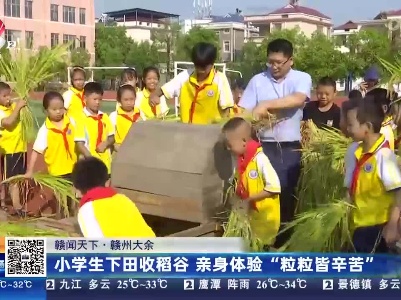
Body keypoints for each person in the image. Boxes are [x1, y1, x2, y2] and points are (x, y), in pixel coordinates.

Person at [238, 38, 312, 247]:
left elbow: (298, 99)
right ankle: (259, 240)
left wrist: (266, 104)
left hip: (288, 148)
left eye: (280, 62)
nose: (275, 66)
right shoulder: (258, 80)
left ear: (291, 61)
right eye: (271, 62)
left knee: (285, 194)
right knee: (258, 193)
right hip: (261, 147)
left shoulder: (301, 78)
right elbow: (245, 112)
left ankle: (282, 243)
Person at [344, 99, 401, 253]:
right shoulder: (355, 151)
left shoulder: (384, 156)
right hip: (357, 223)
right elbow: (350, 187)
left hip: (377, 225)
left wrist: (392, 225)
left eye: (351, 124)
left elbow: (397, 192)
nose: (347, 129)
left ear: (367, 127)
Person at [222, 117, 280, 247]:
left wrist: (249, 199)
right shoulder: (241, 162)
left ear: (243, 141)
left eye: (229, 145)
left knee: (261, 251)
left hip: (265, 219)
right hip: (252, 221)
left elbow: (274, 187)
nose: (227, 148)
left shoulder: (260, 160)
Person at [149, 42, 234, 124]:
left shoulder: (220, 80)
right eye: (198, 65)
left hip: (210, 134)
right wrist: (154, 96)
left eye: (204, 66)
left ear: (212, 63)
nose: (201, 70)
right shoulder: (185, 77)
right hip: (187, 132)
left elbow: (226, 109)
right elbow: (163, 90)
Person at [73, 157, 156, 238]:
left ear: (78, 190)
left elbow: (98, 247)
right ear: (107, 183)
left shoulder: (86, 211)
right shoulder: (123, 199)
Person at [25, 92, 78, 215]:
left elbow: (81, 141)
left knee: (74, 197)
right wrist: (30, 170)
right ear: (46, 111)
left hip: (74, 167)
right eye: (54, 109)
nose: (58, 112)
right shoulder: (45, 130)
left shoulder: (71, 122)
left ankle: (73, 220)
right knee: (61, 200)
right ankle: (61, 221)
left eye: (61, 108)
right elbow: (36, 150)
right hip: (57, 170)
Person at [74, 82, 115, 178]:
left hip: (105, 163)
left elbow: (112, 137)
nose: (97, 102)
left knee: (104, 189)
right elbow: (79, 144)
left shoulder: (104, 117)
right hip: (89, 164)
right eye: (94, 99)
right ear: (85, 99)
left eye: (100, 99)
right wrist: (91, 160)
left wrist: (106, 143)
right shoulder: (81, 118)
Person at [0, 82, 27, 217]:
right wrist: (18, 107)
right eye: (4, 96)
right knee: (12, 179)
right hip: (8, 150)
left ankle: (4, 202)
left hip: (19, 148)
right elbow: (8, 122)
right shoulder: (1, 111)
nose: (8, 98)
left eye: (9, 95)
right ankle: (17, 205)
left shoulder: (11, 107)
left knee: (16, 178)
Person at [109, 85, 143, 152]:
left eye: (131, 99)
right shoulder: (114, 116)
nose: (129, 102)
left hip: (137, 149)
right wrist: (114, 145)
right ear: (119, 100)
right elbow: (109, 135)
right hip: (120, 150)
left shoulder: (140, 114)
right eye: (126, 100)